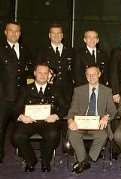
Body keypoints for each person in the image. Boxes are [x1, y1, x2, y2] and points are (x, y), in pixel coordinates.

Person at [14, 63, 64, 172]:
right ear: (35, 73)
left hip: (48, 122)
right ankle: (30, 160)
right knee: (17, 135)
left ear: (49, 75)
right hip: (29, 122)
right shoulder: (25, 89)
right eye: (40, 73)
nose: (42, 75)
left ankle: (46, 161)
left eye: (46, 73)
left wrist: (56, 115)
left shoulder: (55, 89)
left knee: (53, 134)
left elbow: (64, 106)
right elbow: (16, 107)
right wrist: (21, 116)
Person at [66, 65, 117, 174]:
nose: (91, 76)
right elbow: (72, 110)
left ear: (99, 75)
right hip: (81, 123)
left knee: (103, 135)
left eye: (94, 74)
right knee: (72, 134)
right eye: (88, 74)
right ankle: (83, 160)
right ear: (85, 76)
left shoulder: (107, 91)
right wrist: (70, 121)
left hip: (97, 123)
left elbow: (113, 111)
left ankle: (85, 161)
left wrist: (106, 117)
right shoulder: (78, 91)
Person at [0, 21, 32, 162]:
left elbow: (29, 71)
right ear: (5, 32)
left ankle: (22, 154)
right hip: (3, 97)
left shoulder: (25, 49)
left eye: (17, 31)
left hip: (21, 97)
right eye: (11, 31)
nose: (14, 33)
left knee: (21, 129)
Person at [35, 23, 74, 114]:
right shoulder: (42, 51)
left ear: (62, 35)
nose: (56, 36)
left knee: (66, 116)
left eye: (59, 33)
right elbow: (37, 70)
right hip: (49, 89)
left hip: (67, 91)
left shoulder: (70, 51)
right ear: (49, 35)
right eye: (53, 33)